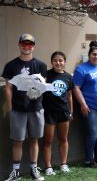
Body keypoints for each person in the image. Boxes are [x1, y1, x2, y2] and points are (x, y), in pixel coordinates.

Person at [2, 33, 47, 181]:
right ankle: (16, 172)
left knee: (34, 139)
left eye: (30, 44)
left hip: (36, 108)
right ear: (19, 45)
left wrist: (36, 92)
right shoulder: (10, 65)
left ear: (34, 46)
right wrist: (9, 105)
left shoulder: (41, 65)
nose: (27, 47)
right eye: (24, 44)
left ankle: (34, 169)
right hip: (18, 109)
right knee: (17, 140)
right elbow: (8, 87)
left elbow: (42, 86)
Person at [73, 41, 97, 168]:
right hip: (90, 106)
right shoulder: (81, 69)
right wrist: (83, 105)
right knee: (93, 132)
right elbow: (76, 88)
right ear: (89, 55)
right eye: (94, 54)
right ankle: (88, 160)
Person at [43, 51, 73, 175]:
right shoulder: (46, 75)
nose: (58, 63)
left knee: (63, 139)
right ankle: (48, 167)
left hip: (64, 112)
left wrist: (71, 111)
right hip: (49, 112)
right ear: (51, 62)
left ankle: (63, 164)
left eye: (61, 60)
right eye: (55, 60)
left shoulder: (68, 77)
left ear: (64, 62)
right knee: (48, 140)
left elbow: (70, 95)